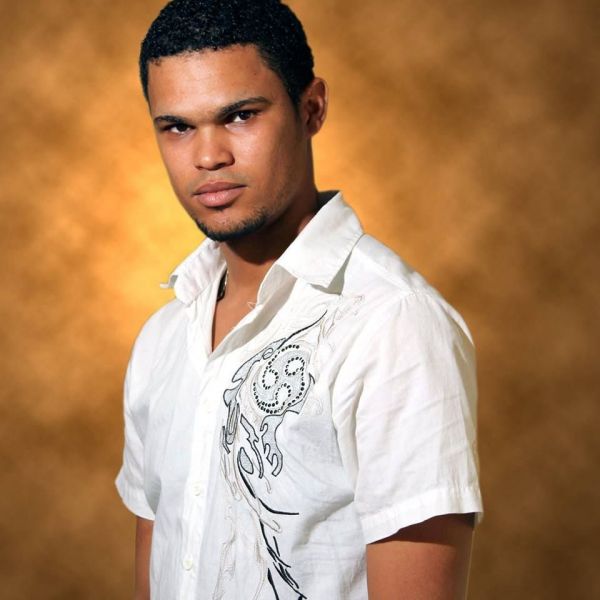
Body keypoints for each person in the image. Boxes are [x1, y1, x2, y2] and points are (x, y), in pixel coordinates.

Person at [115, 0, 483, 598]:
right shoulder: (163, 337)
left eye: (240, 115)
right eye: (177, 126)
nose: (208, 157)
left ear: (311, 108)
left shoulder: (391, 323)